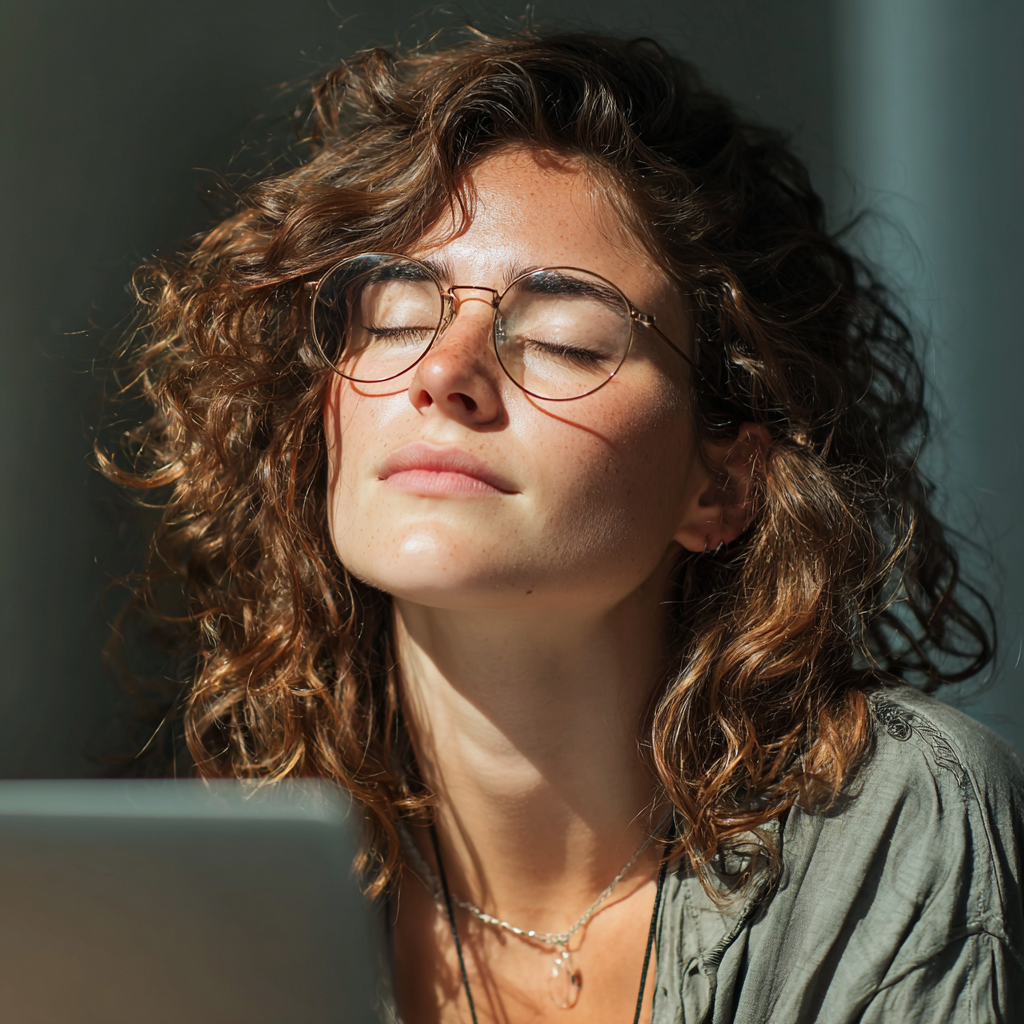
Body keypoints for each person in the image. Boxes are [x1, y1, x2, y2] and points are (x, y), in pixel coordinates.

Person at [100, 26, 1024, 1023]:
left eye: (561, 336)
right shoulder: (213, 897)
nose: (443, 373)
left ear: (723, 483)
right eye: (397, 312)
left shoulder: (889, 822)